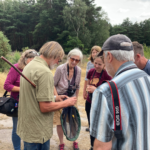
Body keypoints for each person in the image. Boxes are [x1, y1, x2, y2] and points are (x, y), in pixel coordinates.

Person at [90, 34, 150, 150]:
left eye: (103, 58)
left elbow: (102, 147)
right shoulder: (147, 79)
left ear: (109, 57)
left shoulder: (105, 92)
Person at [17, 41, 77, 150]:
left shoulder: (29, 65)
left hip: (28, 128)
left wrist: (55, 98)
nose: (58, 63)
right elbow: (44, 107)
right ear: (53, 55)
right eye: (58, 59)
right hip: (38, 131)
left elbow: (34, 96)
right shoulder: (45, 72)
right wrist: (65, 103)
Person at [4, 49, 39, 150]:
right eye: (32, 60)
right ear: (26, 59)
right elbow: (7, 85)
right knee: (17, 129)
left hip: (32, 104)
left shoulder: (35, 69)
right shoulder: (16, 68)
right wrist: (23, 89)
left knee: (29, 129)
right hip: (17, 103)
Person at [53, 48, 82, 150]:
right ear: (68, 57)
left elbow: (77, 86)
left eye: (77, 60)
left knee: (74, 120)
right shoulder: (60, 69)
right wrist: (56, 97)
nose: (74, 62)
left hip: (71, 99)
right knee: (60, 122)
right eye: (72, 59)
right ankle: (61, 143)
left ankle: (74, 140)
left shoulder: (78, 70)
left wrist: (76, 99)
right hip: (60, 98)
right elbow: (53, 84)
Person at [86, 53, 112, 150]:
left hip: (101, 105)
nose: (96, 66)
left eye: (99, 64)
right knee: (91, 126)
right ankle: (92, 146)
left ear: (104, 64)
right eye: (95, 63)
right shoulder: (91, 71)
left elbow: (110, 91)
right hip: (90, 102)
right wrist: (88, 90)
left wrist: (95, 90)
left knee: (100, 127)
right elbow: (88, 83)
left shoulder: (107, 74)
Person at [83, 46, 102, 132]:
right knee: (88, 108)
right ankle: (91, 126)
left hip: (98, 91)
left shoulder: (104, 67)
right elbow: (86, 79)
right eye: (93, 52)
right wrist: (85, 91)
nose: (94, 53)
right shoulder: (89, 64)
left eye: (96, 52)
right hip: (90, 89)